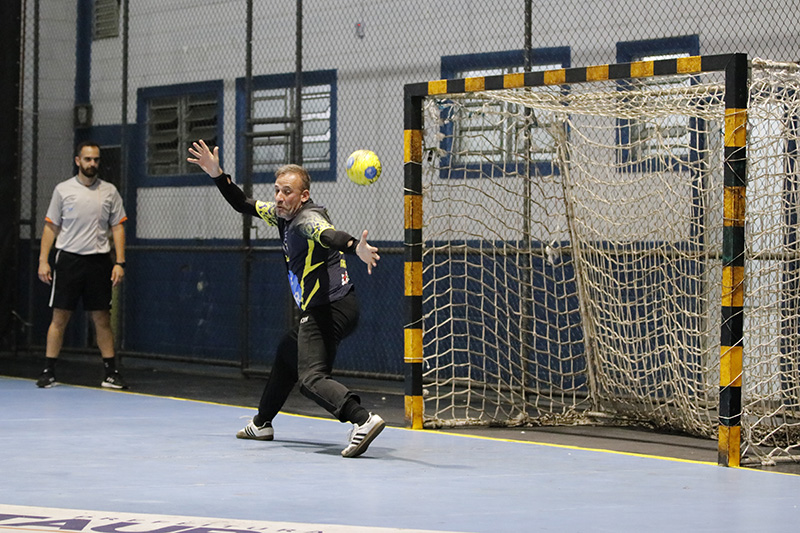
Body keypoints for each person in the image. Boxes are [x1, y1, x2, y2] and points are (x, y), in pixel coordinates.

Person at [187, 139, 385, 458]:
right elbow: (243, 203)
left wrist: (354, 247)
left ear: (303, 196)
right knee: (286, 353)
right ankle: (262, 423)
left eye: (287, 192)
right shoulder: (281, 215)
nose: (279, 197)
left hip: (328, 309)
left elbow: (328, 234)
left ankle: (363, 420)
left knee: (310, 378)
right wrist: (216, 174)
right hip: (336, 306)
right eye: (277, 190)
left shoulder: (307, 219)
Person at [36, 141, 129, 390]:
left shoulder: (109, 191)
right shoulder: (63, 190)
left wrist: (119, 262)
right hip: (69, 260)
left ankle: (111, 373)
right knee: (60, 317)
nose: (92, 164)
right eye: (87, 159)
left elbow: (117, 227)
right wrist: (43, 260)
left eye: (96, 159)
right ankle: (48, 371)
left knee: (102, 318)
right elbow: (51, 226)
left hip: (99, 262)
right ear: (78, 161)